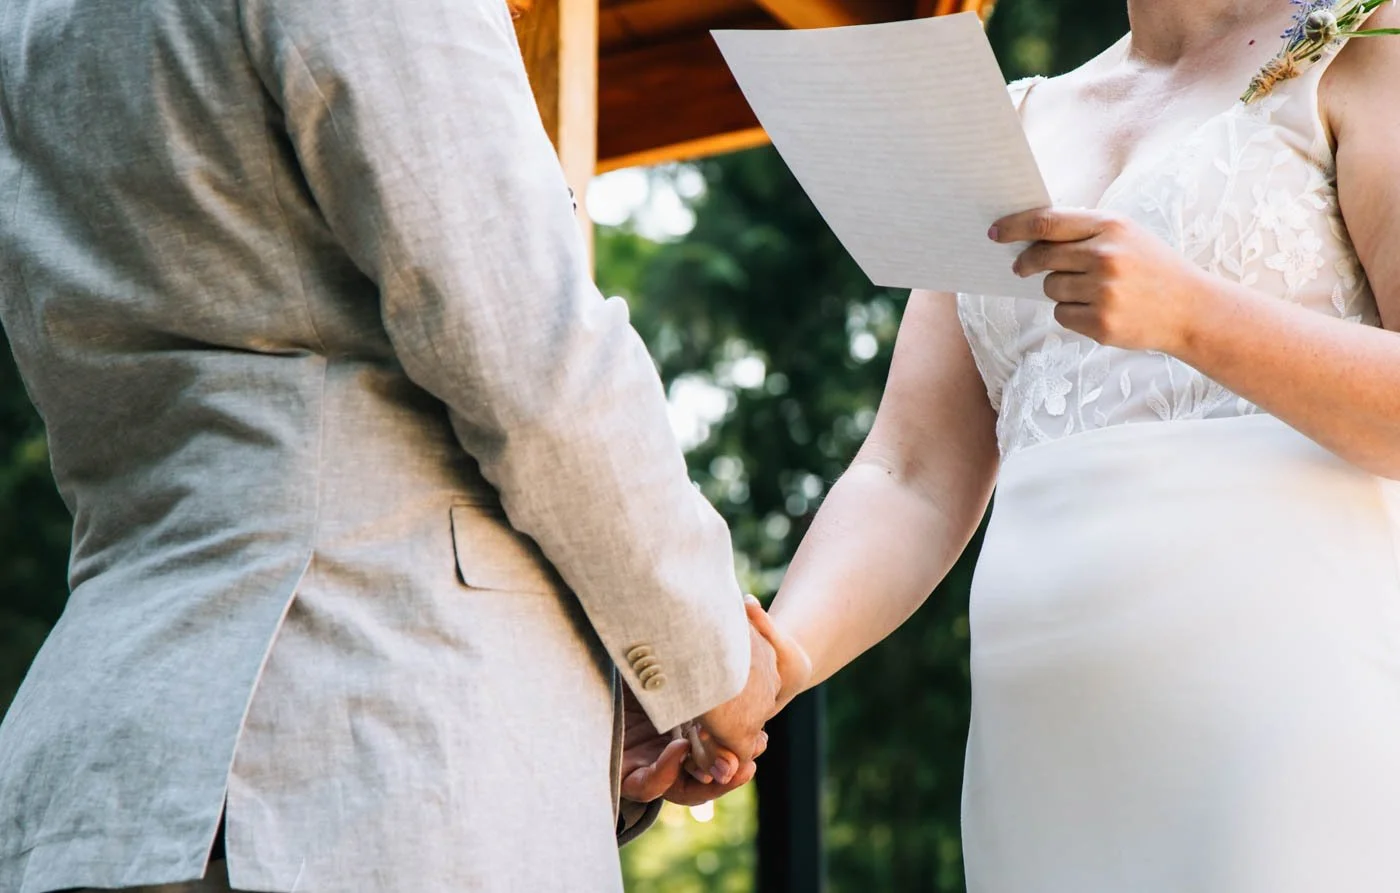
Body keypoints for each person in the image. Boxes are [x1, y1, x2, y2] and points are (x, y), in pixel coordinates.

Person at [0, 0, 792, 890]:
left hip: (106, 780)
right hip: (354, 749)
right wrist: (710, 658)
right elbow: (529, 353)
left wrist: (575, 707)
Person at [756, 0, 1400, 889]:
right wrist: (780, 658)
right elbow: (909, 472)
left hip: (1289, 720)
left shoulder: (1367, 48)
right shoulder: (1008, 124)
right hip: (1042, 753)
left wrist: (1194, 317)